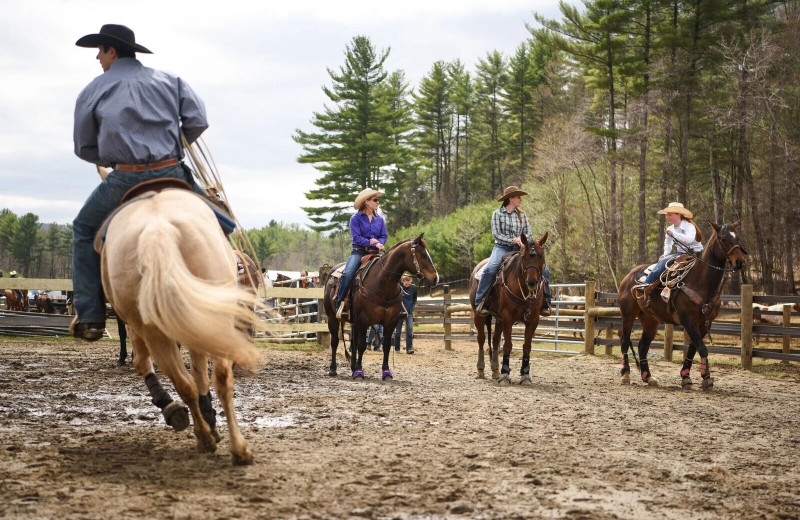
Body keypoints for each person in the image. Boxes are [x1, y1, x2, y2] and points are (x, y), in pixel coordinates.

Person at [70, 24, 209, 341]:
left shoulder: (94, 90)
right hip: (172, 173)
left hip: (124, 179)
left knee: (82, 229)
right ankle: (228, 289)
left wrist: (112, 159)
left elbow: (83, 147)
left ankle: (90, 316)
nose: (97, 58)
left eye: (100, 51)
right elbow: (198, 119)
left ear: (112, 51)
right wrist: (173, 144)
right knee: (220, 221)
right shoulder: (170, 80)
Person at [474, 186, 551, 317]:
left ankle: (546, 303)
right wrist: (513, 240)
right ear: (510, 199)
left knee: (545, 270)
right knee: (490, 269)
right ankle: (480, 301)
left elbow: (529, 233)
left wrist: (525, 241)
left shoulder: (522, 215)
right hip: (501, 248)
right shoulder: (497, 214)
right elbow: (496, 234)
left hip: (521, 249)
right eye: (518, 197)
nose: (520, 199)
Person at [335, 188, 387, 320]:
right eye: (375, 200)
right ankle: (340, 304)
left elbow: (383, 235)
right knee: (347, 274)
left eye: (378, 200)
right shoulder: (355, 219)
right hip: (359, 252)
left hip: (376, 253)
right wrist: (373, 243)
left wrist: (379, 243)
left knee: (390, 272)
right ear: (366, 202)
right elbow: (357, 238)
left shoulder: (380, 219)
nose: (378, 202)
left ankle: (395, 306)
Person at [644, 202, 703, 285]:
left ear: (678, 215)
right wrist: (665, 254)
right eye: (667, 215)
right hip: (681, 254)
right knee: (663, 262)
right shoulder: (670, 228)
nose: (668, 217)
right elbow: (668, 243)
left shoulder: (689, 226)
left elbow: (689, 240)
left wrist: (674, 234)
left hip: (698, 254)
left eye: (670, 215)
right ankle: (647, 284)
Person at [394, 274, 418, 354]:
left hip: (409, 312)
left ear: (411, 281)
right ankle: (397, 348)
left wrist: (412, 306)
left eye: (408, 280)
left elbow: (414, 298)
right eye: (405, 281)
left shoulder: (413, 288)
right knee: (398, 331)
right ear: (402, 281)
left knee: (409, 330)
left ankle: (409, 348)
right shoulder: (400, 287)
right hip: (400, 312)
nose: (407, 282)